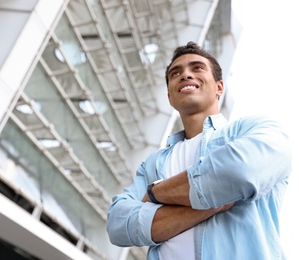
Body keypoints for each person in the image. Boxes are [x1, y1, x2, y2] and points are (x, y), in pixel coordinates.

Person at [106, 41, 292, 259]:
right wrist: (211, 205)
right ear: (169, 97)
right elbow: (118, 224)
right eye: (176, 73)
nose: (185, 75)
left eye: (197, 68)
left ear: (219, 87)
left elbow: (238, 173)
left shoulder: (255, 129)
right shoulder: (153, 163)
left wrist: (155, 193)